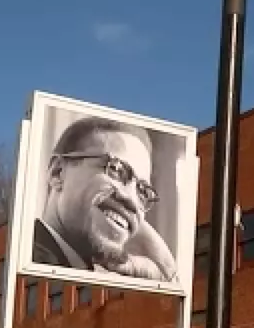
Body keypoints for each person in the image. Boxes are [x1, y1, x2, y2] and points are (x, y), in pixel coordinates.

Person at [33, 117, 178, 281]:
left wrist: (166, 272)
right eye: (116, 170)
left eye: (143, 191)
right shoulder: (30, 259)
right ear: (57, 173)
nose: (131, 199)